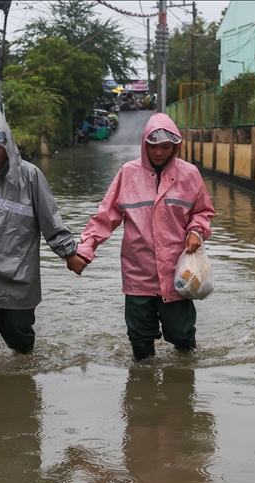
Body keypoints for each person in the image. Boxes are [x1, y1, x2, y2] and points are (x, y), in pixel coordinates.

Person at [0, 103, 87, 370]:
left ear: (7, 146)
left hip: (15, 273)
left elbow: (50, 219)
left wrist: (69, 253)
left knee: (18, 334)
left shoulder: (30, 177)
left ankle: (25, 360)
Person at [74, 113, 216, 361]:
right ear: (144, 144)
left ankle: (183, 380)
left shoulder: (189, 174)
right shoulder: (128, 174)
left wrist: (196, 230)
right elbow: (105, 217)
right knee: (140, 342)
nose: (159, 153)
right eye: (153, 146)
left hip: (177, 274)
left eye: (165, 147)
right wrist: (86, 249)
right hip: (138, 274)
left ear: (175, 147)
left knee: (182, 336)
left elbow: (202, 211)